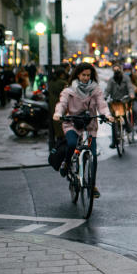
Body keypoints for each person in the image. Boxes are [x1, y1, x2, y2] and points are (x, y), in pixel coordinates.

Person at [52, 62, 113, 198]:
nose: (86, 78)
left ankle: (92, 185)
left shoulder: (95, 90)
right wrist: (58, 113)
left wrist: (107, 115)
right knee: (72, 144)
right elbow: (61, 104)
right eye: (83, 75)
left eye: (88, 75)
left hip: (89, 125)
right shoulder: (69, 90)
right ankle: (67, 163)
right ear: (77, 75)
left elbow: (102, 105)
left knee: (93, 156)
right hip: (72, 123)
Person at [104, 67, 134, 148]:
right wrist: (105, 96)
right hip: (114, 102)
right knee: (113, 121)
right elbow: (107, 90)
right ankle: (114, 141)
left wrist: (131, 94)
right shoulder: (111, 80)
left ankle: (128, 128)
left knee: (124, 115)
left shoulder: (126, 78)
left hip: (124, 101)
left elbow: (130, 87)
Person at [46, 67, 69, 150]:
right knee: (63, 127)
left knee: (57, 126)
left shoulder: (51, 82)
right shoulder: (62, 83)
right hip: (62, 107)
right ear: (62, 74)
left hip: (53, 107)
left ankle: (58, 145)